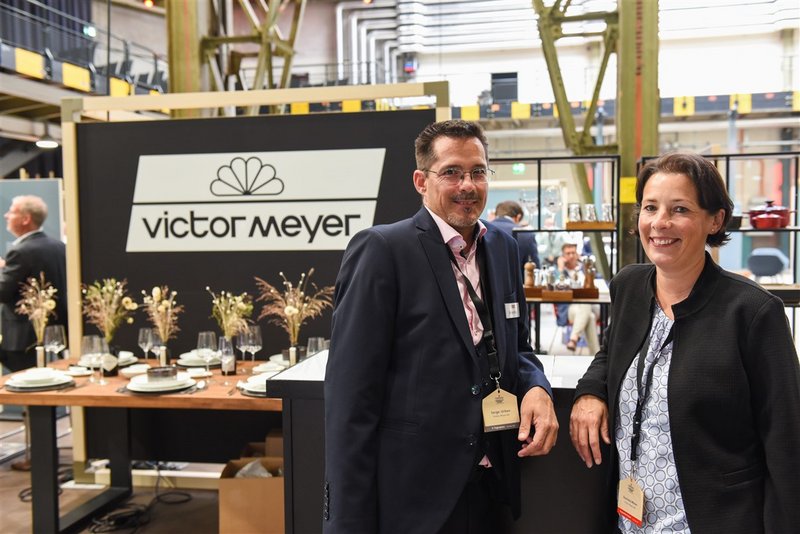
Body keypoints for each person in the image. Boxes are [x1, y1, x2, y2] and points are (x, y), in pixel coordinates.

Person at [324, 120, 558, 534]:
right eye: (451, 172)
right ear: (421, 181)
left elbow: (517, 346)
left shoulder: (503, 247)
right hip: (415, 498)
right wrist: (347, 522)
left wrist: (537, 387)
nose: (467, 185)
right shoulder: (383, 250)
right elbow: (351, 398)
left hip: (491, 485)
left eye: (478, 171)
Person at [569, 152, 800, 533]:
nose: (660, 222)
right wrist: (591, 392)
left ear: (715, 220)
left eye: (679, 209)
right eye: (650, 207)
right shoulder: (629, 286)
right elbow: (611, 352)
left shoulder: (753, 312)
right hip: (629, 522)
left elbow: (786, 440)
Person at [0, 195, 67, 372]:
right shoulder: (59, 246)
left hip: (22, 340)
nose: (6, 216)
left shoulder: (20, 252)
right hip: (57, 334)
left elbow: (3, 292)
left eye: (11, 212)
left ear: (25, 219)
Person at [555, 242, 600, 354]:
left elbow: (599, 281)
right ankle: (595, 354)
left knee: (585, 302)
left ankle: (573, 338)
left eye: (573, 253)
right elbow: (555, 288)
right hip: (570, 307)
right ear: (563, 256)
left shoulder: (585, 267)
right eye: (568, 253)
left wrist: (586, 267)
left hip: (593, 306)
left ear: (577, 254)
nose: (571, 256)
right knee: (589, 316)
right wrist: (560, 269)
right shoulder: (560, 271)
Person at [491, 200, 540, 270]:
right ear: (518, 217)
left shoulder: (482, 230)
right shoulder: (525, 234)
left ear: (496, 214)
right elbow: (534, 268)